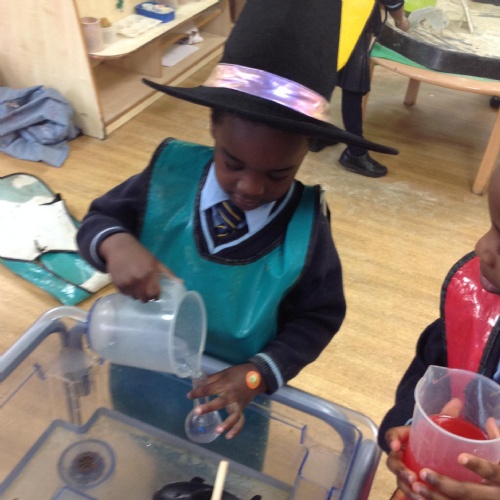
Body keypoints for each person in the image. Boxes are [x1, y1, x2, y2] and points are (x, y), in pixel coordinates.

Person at [77, 0, 397, 443]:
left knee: (221, 471)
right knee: (140, 444)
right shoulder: (167, 176)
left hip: (234, 401)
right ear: (213, 125)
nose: (250, 187)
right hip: (141, 363)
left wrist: (254, 376)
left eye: (277, 174)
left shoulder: (306, 228)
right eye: (233, 163)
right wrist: (115, 244)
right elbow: (98, 219)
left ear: (307, 148)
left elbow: (318, 317)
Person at [379, 164, 500, 499]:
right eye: (492, 227)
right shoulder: (476, 310)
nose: (481, 246)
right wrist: (414, 427)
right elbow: (428, 376)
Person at [311, 1, 409, 178]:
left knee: (324, 75)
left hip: (322, 17)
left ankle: (315, 134)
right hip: (353, 23)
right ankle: (355, 153)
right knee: (353, 86)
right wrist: (401, 21)